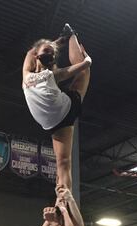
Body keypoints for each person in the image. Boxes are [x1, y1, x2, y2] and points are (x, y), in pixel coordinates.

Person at [22, 24, 92, 190]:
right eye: (46, 50)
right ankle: (70, 35)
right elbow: (30, 52)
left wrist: (87, 60)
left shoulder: (51, 74)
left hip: (64, 111)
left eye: (50, 52)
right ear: (37, 57)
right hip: (52, 122)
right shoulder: (27, 74)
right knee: (63, 162)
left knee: (83, 73)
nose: (49, 51)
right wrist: (60, 40)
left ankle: (73, 34)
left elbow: (85, 65)